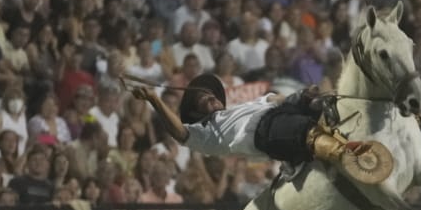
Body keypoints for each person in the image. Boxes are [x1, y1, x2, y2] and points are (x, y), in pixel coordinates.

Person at [130, 73, 383, 184]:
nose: (210, 97)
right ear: (198, 113)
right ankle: (348, 157)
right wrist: (155, 99)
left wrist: (307, 97)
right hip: (264, 132)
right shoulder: (204, 135)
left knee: (318, 100)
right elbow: (179, 133)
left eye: (211, 95)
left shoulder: (245, 104)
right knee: (291, 125)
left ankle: (371, 113)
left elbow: (276, 101)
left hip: (276, 113)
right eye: (202, 100)